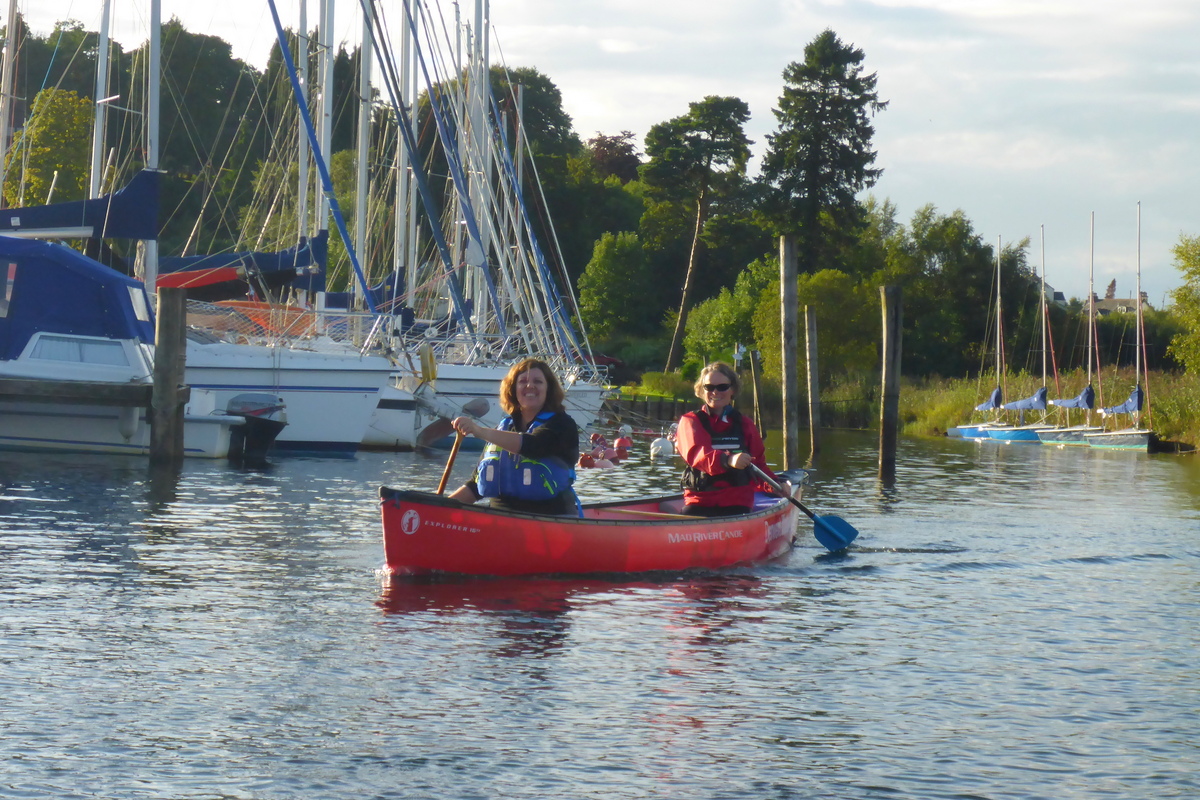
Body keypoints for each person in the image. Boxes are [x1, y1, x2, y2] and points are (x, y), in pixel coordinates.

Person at [448, 358, 581, 516]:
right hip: (499, 521)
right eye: (523, 381)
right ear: (513, 389)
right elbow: (476, 486)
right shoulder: (505, 427)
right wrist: (441, 506)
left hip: (552, 518)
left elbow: (533, 446)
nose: (529, 386)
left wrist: (479, 431)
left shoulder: (562, 425)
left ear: (548, 389)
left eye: (537, 382)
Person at [675, 361, 784, 517]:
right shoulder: (690, 421)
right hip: (701, 502)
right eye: (709, 387)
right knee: (689, 514)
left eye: (722, 387)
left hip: (737, 503)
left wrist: (775, 485)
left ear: (732, 389)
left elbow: (758, 465)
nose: (715, 392)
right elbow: (698, 454)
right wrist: (728, 460)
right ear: (702, 390)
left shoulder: (745, 424)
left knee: (741, 510)